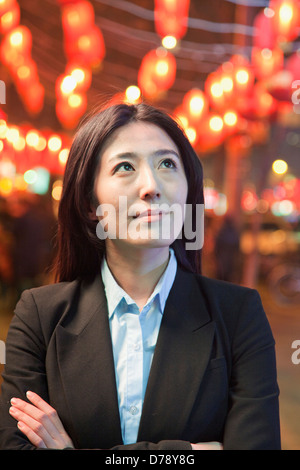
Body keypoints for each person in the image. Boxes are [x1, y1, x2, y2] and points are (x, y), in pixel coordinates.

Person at [0, 103, 280, 450]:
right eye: (125, 167)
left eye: (167, 164)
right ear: (90, 203)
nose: (151, 186)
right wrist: (189, 452)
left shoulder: (239, 315)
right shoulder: (40, 317)